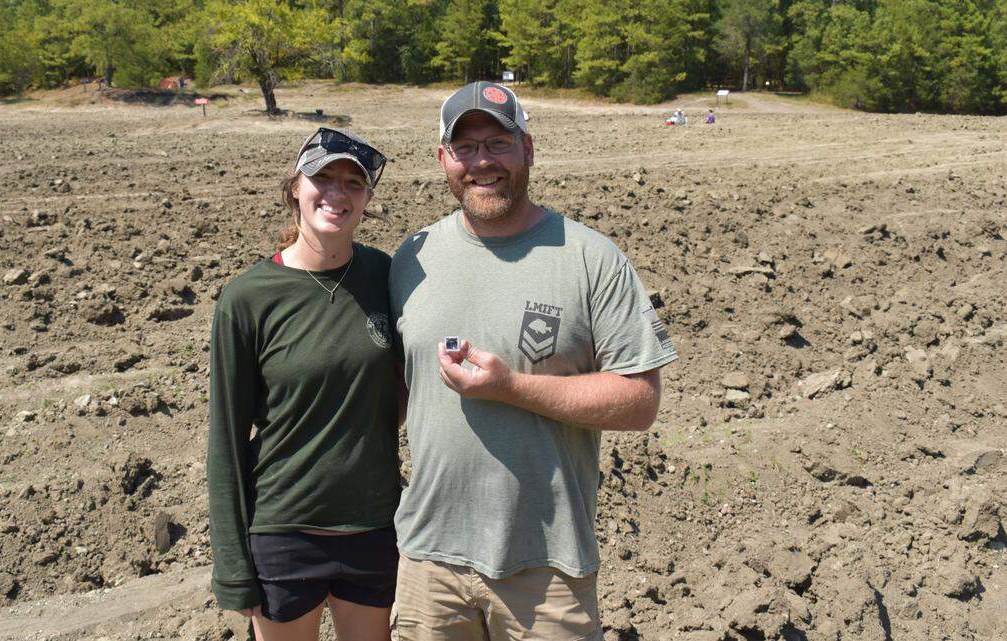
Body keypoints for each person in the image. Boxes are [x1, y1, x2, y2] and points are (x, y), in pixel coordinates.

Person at [389, 81, 678, 640]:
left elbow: (641, 402)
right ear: (443, 158)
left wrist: (512, 388)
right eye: (465, 148)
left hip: (547, 571)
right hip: (429, 565)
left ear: (527, 148)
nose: (482, 163)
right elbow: (396, 394)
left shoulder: (590, 259)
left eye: (497, 143)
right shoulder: (413, 258)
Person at [207, 127, 400, 641]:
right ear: (295, 187)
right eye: (323, 177)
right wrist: (232, 567)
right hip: (283, 533)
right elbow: (225, 440)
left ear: (367, 198)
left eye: (353, 183)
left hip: (372, 527)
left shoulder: (386, 276)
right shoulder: (249, 298)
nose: (337, 193)